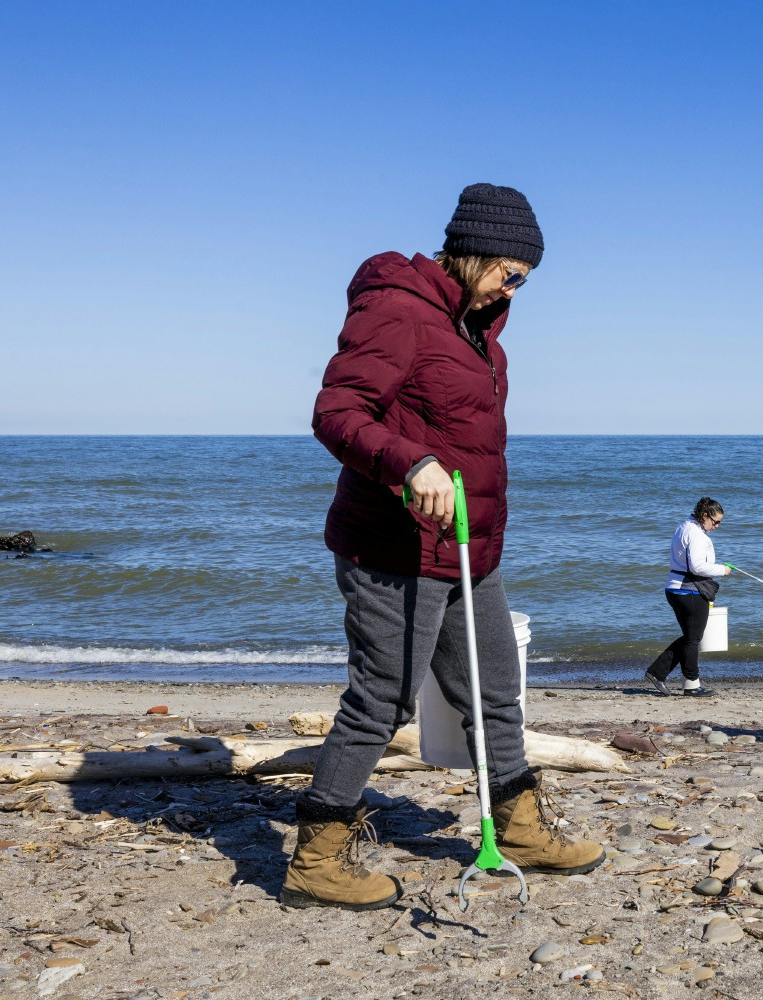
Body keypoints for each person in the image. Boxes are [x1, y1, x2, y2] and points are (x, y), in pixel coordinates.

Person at [283, 184, 604, 911]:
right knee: (381, 701)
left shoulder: (478, 328)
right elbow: (336, 412)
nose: (515, 288)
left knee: (496, 692)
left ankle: (518, 830)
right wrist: (409, 464)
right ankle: (317, 856)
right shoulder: (399, 306)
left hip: (469, 547)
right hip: (394, 549)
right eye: (510, 273)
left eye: (524, 279)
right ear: (473, 252)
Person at [643, 497, 733, 697]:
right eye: (715, 521)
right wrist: (722, 570)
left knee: (690, 638)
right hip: (689, 591)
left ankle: (658, 673)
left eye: (719, 522)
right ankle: (691, 685)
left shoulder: (684, 527)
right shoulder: (697, 535)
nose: (717, 526)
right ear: (704, 516)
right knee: (693, 640)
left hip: (674, 589)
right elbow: (697, 567)